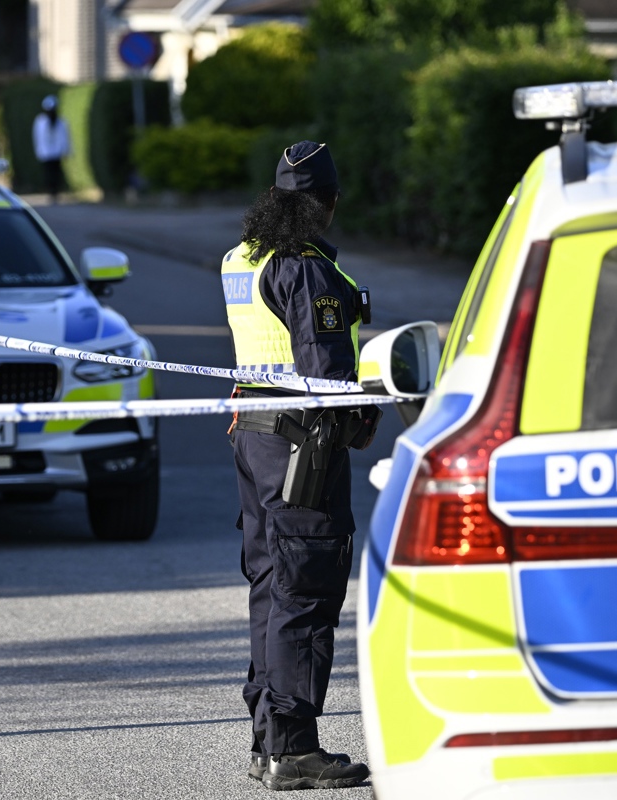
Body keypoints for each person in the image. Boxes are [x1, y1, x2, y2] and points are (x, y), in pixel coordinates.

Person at [222, 141, 374, 791]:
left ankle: (267, 741)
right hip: (302, 444)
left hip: (253, 436)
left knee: (270, 586)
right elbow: (328, 373)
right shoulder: (304, 268)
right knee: (306, 589)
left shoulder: (242, 257)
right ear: (325, 203)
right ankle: (295, 747)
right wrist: (365, 416)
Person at [31, 95, 70, 204]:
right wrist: (38, 150)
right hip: (46, 153)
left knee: (56, 173)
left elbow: (65, 137)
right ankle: (51, 192)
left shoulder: (61, 122)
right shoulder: (40, 121)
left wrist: (66, 150)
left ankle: (56, 192)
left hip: (57, 152)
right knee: (48, 174)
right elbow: (37, 137)